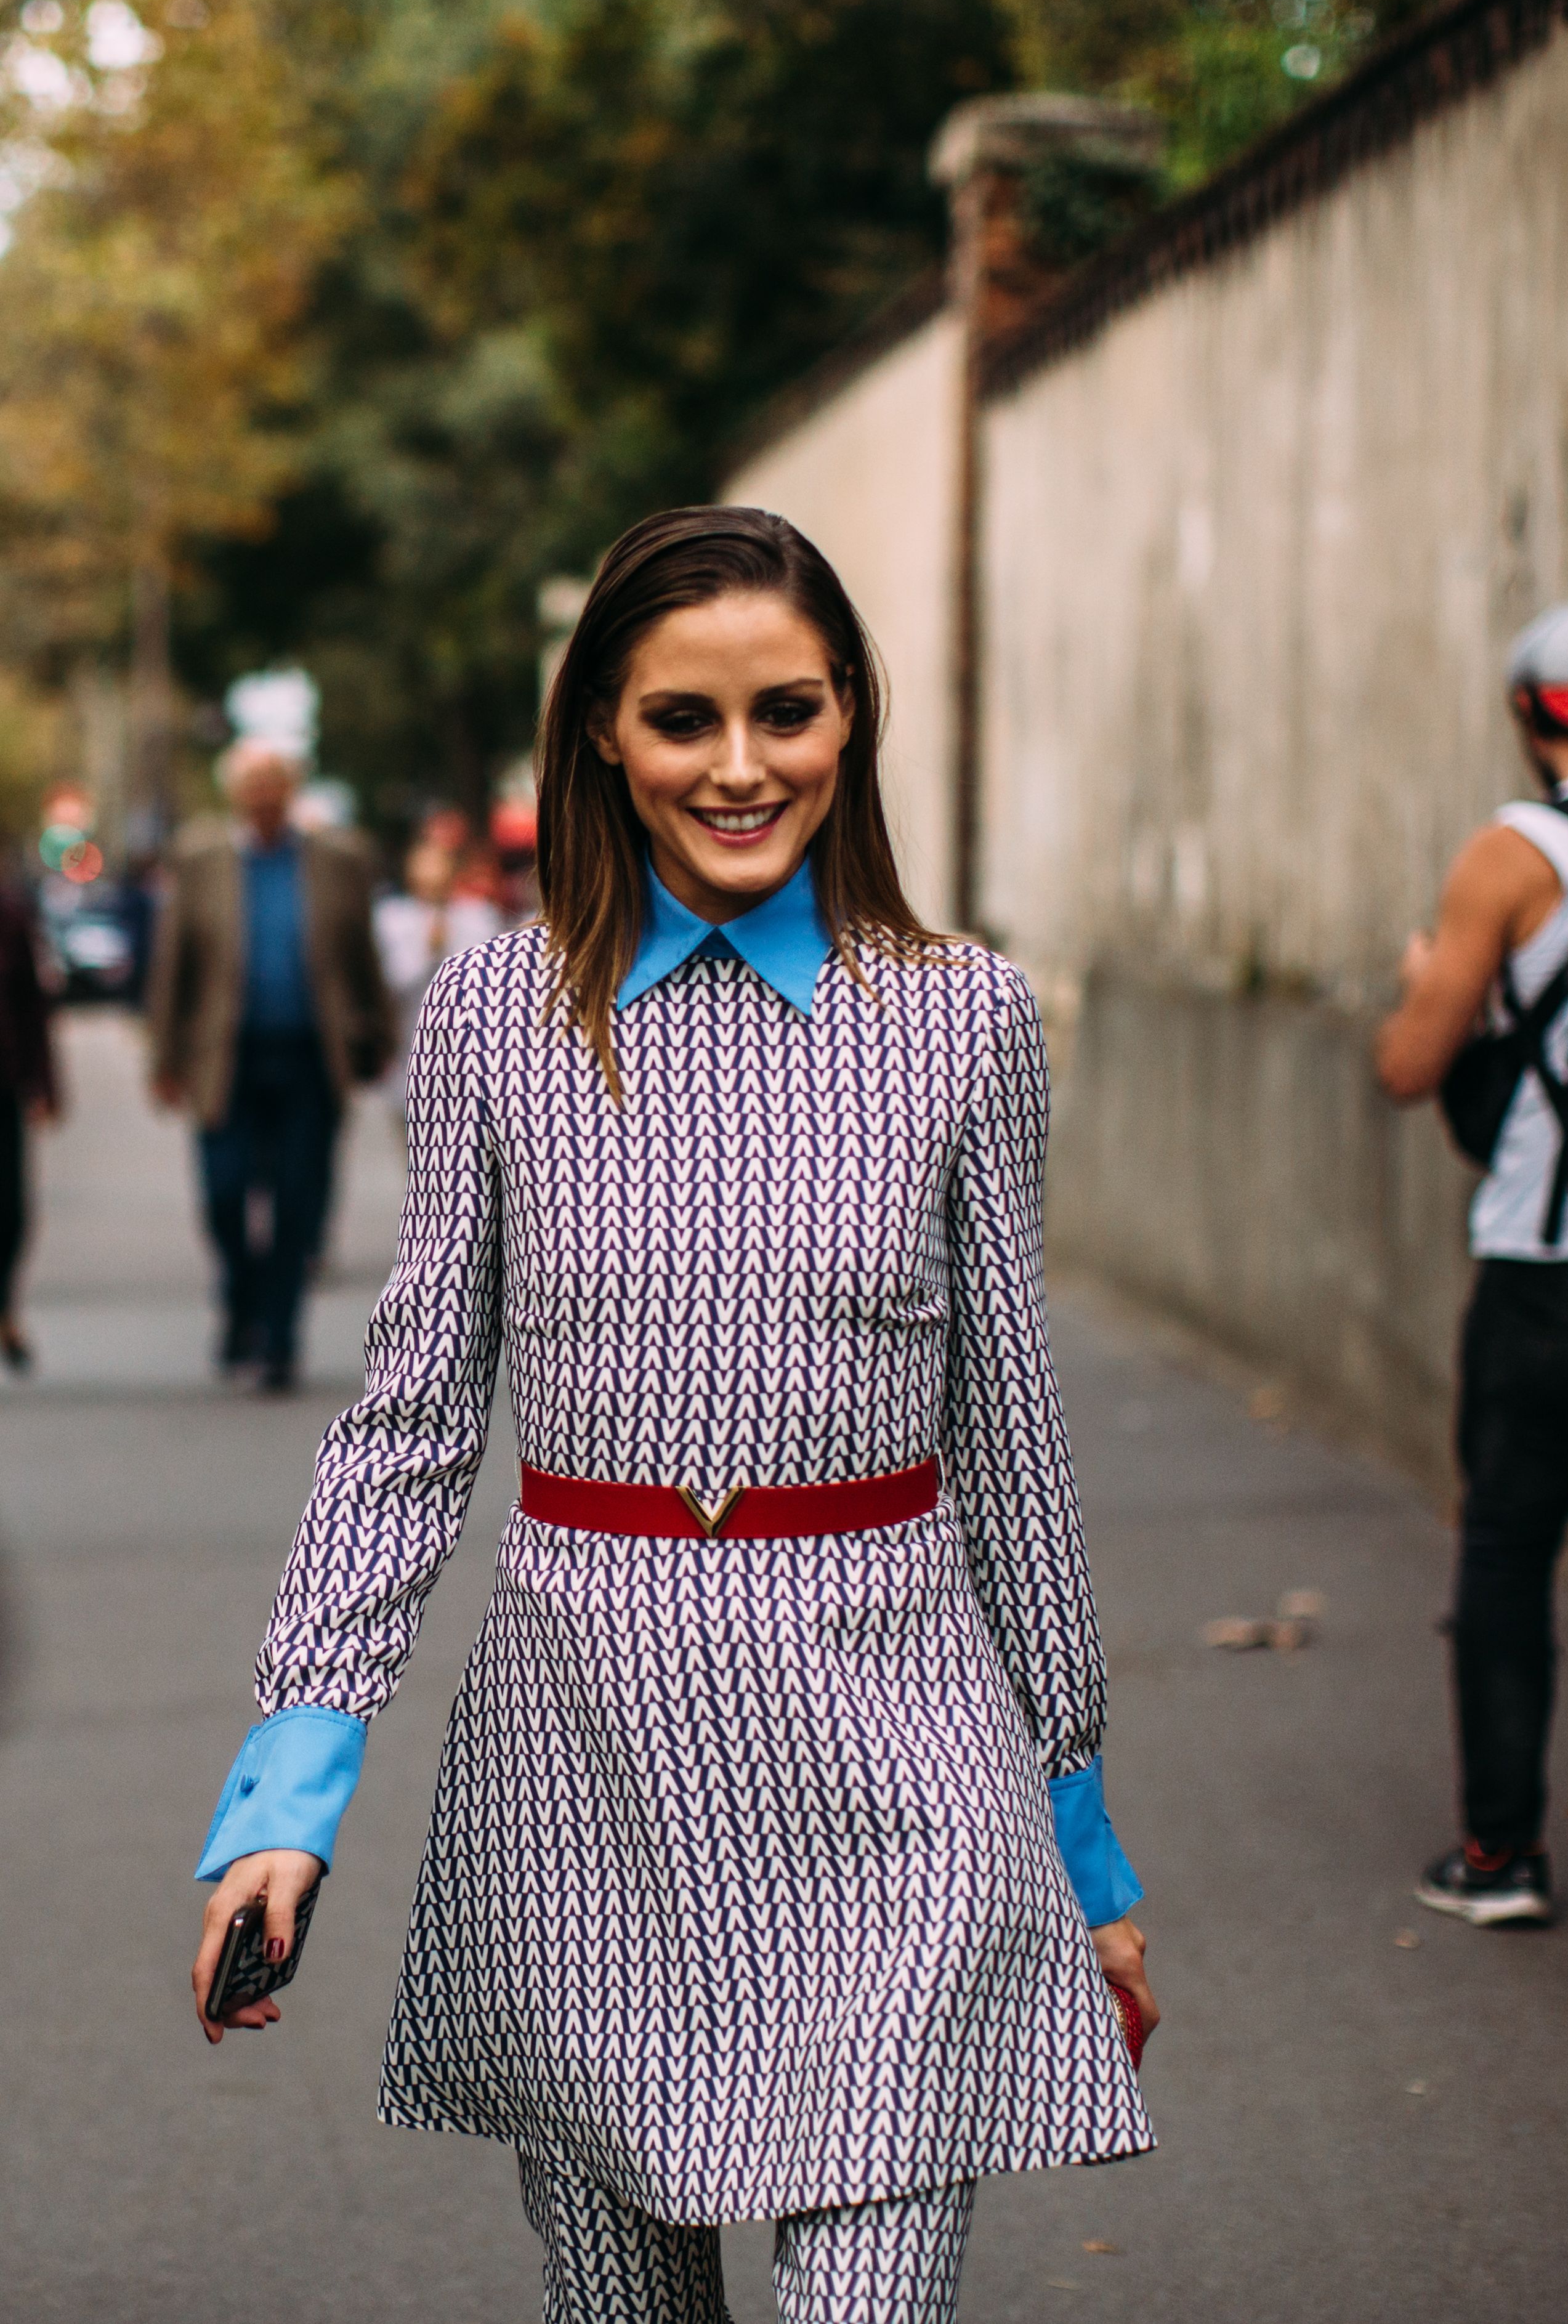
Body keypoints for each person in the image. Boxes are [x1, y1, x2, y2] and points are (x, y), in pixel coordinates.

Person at [190, 508, 1157, 2323]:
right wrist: (291, 1794)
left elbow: (1017, 1441)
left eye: (786, 712)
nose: (739, 769)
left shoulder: (966, 1019)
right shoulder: (491, 1012)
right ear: (605, 744)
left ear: (851, 717)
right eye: (682, 722)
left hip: (902, 1772)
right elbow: (409, 1426)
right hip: (585, 1779)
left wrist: (1081, 1847)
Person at [1376, 600, 1568, 1929]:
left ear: (1529, 714)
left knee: (1511, 1542)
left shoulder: (1510, 858)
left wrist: (1425, 977)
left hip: (1545, 1268)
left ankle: (1501, 1856)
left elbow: (1409, 1065)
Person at [146, 740, 394, 1393]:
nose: (263, 796)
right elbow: (174, 965)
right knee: (225, 1194)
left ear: (291, 791)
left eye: (274, 783)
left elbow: (361, 953)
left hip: (311, 1057)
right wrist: (163, 1056)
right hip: (224, 1058)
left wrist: (380, 1036)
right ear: (235, 793)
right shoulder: (201, 863)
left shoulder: (336, 862)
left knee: (298, 1201)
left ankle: (279, 1337)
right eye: (252, 784)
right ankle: (241, 1300)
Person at [373, 835, 501, 1140]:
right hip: (408, 1049)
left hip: (469, 1054)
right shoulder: (391, 918)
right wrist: (427, 950)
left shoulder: (479, 916)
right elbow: (389, 984)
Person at [0, 878, 60, 1373]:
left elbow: (31, 1002)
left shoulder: (9, 909)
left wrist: (46, 1082)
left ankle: (4, 1308)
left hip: (4, 1083)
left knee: (10, 1211)